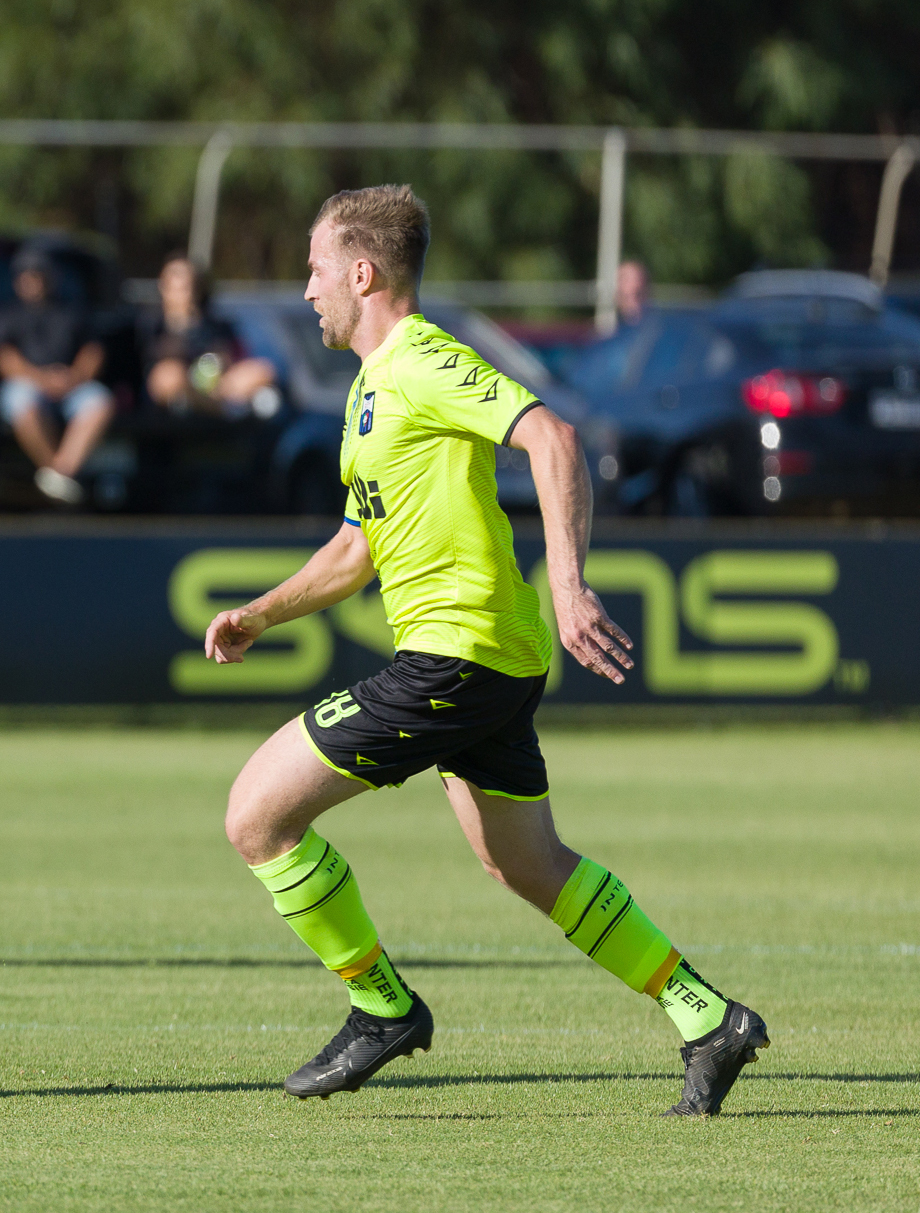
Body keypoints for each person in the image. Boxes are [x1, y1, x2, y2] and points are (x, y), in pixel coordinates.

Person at [202, 186, 766, 1116]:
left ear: (362, 271)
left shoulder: (422, 359)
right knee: (528, 865)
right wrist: (265, 611)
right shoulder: (368, 389)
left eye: (312, 269)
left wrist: (571, 582)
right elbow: (356, 548)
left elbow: (553, 437)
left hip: (455, 656)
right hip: (487, 660)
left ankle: (381, 1008)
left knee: (255, 815)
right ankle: (709, 1017)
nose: (304, 290)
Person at [0, 247, 112, 505]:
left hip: (71, 385)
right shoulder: (7, 313)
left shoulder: (71, 309)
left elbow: (93, 350)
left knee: (100, 401)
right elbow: (5, 359)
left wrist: (74, 377)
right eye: (27, 276)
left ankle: (60, 473)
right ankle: (58, 476)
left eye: (39, 275)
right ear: (17, 280)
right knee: (22, 402)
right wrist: (42, 379)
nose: (33, 281)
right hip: (29, 385)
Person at [136, 253, 278, 416]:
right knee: (168, 376)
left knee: (262, 370)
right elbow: (154, 372)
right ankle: (219, 409)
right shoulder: (151, 325)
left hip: (219, 386)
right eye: (177, 287)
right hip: (178, 391)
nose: (186, 294)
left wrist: (224, 360)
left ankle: (215, 406)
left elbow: (234, 358)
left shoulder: (217, 326)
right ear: (163, 287)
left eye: (189, 286)